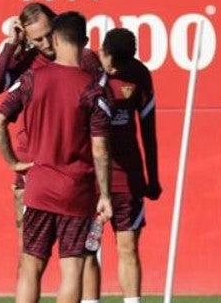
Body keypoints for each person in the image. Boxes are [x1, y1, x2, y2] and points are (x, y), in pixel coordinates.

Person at [0, 12, 112, 303]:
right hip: (77, 191)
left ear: (55, 39)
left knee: (31, 265)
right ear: (84, 41)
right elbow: (99, 150)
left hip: (39, 187)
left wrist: (13, 163)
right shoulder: (94, 90)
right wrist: (105, 194)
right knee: (72, 267)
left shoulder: (31, 78)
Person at [0, 3, 102, 239]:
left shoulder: (82, 58)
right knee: (29, 255)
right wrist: (11, 44)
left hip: (75, 169)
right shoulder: (27, 63)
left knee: (82, 256)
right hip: (35, 170)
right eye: (37, 40)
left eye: (49, 35)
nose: (46, 44)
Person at [81, 28, 161, 303]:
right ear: (101, 50)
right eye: (110, 61)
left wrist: (153, 176)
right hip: (90, 179)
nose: (113, 69)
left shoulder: (139, 75)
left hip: (127, 179)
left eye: (120, 65)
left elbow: (148, 130)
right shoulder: (85, 67)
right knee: (87, 249)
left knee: (128, 247)